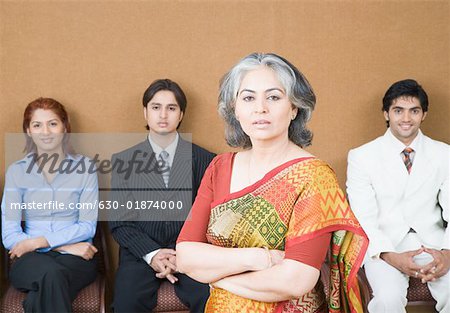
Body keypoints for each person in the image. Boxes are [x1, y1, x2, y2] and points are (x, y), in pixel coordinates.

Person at [176, 53, 368, 313]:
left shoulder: (313, 176)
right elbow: (186, 255)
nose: (260, 108)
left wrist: (217, 277)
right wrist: (260, 258)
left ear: (294, 108)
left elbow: (296, 279)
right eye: (248, 97)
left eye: (274, 97)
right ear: (235, 109)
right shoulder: (220, 168)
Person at [109, 79, 215, 312]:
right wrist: (154, 254)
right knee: (126, 303)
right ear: (145, 112)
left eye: (171, 108)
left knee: (211, 300)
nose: (163, 115)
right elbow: (119, 223)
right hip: (140, 254)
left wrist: (182, 255)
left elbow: (210, 217)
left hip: (191, 253)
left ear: (181, 114)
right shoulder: (124, 162)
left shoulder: (206, 160)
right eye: (156, 107)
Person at [346, 79, 449, 313]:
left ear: (424, 114)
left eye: (414, 111)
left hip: (434, 244)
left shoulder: (445, 154)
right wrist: (390, 255)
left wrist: (447, 254)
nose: (406, 118)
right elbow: (363, 216)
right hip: (384, 246)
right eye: (398, 111)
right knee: (387, 299)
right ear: (386, 113)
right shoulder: (362, 157)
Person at [1, 97, 99, 312]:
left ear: (65, 127)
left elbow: (87, 226)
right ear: (28, 131)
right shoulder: (17, 172)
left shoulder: (85, 168)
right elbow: (10, 236)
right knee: (52, 275)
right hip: (33, 260)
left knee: (44, 291)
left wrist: (37, 242)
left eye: (53, 123)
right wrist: (62, 246)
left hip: (78, 261)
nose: (45, 132)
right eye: (37, 125)